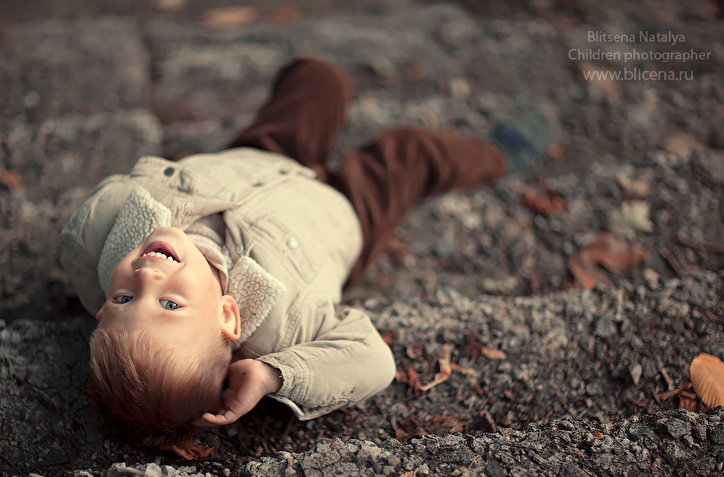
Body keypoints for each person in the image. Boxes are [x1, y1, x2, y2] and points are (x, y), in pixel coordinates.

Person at [61, 57, 547, 449]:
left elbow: (79, 242)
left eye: (124, 299)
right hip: (347, 209)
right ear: (228, 315)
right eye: (170, 305)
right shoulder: (284, 328)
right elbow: (374, 362)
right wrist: (275, 375)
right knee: (411, 150)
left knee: (319, 78)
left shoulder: (110, 237)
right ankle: (498, 155)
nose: (146, 278)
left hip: (265, 158)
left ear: (102, 308)